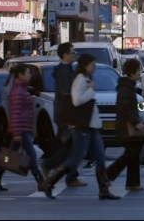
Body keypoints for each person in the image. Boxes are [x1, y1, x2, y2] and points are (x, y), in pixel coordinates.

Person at [43, 54, 120, 200]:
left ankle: (104, 190)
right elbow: (77, 101)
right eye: (92, 65)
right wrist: (90, 90)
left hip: (91, 126)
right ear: (85, 65)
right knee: (74, 160)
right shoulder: (80, 80)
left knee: (100, 158)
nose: (94, 68)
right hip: (82, 127)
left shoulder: (86, 79)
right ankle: (49, 182)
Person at [0, 64, 50, 196]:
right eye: (28, 73)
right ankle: (40, 181)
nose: (30, 75)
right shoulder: (17, 91)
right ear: (20, 75)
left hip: (23, 127)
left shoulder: (21, 89)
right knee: (32, 156)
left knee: (9, 155)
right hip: (21, 129)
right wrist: (17, 133)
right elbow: (15, 113)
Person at [40, 42, 85, 187]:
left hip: (66, 114)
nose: (75, 55)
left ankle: (70, 175)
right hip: (66, 115)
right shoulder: (64, 71)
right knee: (70, 145)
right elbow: (66, 95)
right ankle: (53, 167)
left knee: (69, 145)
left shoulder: (67, 69)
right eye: (73, 52)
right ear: (65, 55)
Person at [105, 58, 144, 191]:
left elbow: (138, 107)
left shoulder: (129, 87)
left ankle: (133, 183)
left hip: (129, 126)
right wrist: (136, 122)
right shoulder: (126, 89)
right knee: (130, 154)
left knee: (133, 155)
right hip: (126, 128)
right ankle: (107, 174)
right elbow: (124, 109)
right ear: (132, 72)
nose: (140, 74)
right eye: (138, 71)